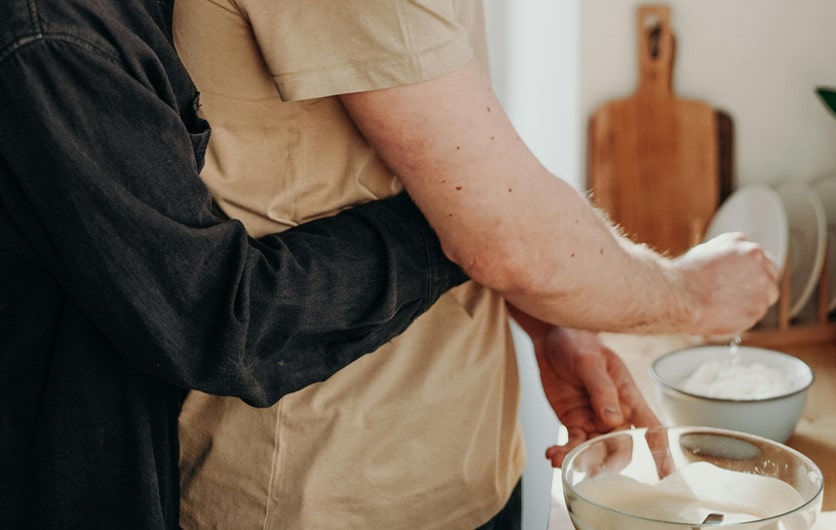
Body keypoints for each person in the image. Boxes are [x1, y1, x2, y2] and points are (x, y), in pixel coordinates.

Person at [173, 1, 780, 529]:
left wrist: (552, 315)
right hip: (332, 485)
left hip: (457, 462)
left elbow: (448, 172)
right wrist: (691, 296)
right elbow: (502, 237)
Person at [0, 1, 480, 528]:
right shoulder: (51, 41)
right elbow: (218, 314)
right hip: (86, 483)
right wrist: (466, 224)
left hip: (445, 445)